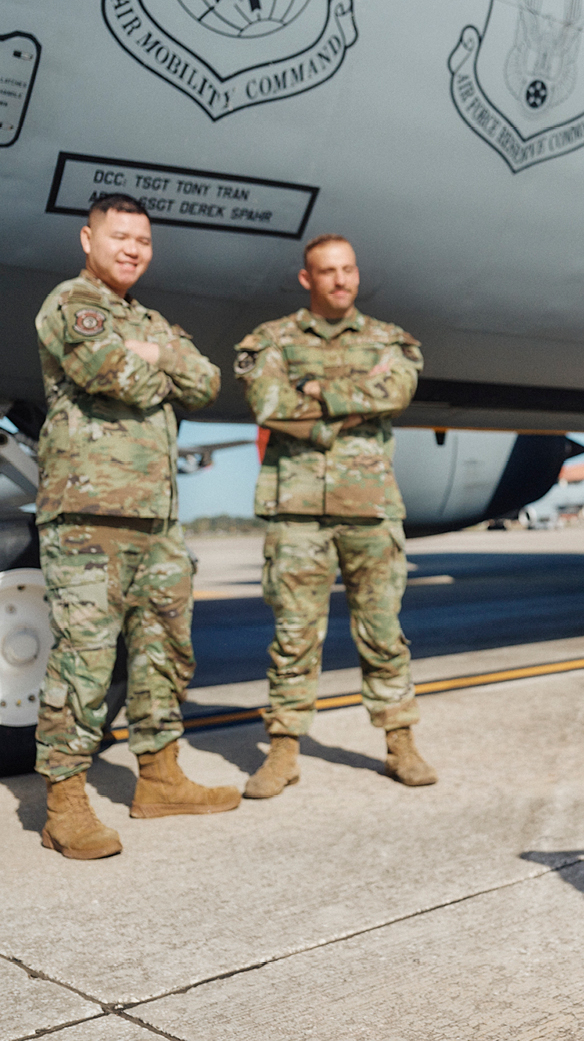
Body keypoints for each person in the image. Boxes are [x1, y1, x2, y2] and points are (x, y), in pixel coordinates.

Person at [32, 193, 240, 860]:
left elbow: (207, 383)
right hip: (88, 517)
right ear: (87, 239)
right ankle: (64, 803)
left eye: (142, 241)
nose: (132, 249)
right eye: (119, 236)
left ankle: (160, 778)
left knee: (164, 655)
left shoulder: (149, 320)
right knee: (84, 664)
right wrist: (155, 363)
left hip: (157, 519)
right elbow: (112, 372)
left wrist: (155, 352)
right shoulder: (71, 304)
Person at [233, 234, 434, 798]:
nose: (340, 280)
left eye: (348, 269)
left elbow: (396, 391)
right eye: (328, 271)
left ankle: (401, 743)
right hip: (297, 512)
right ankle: (284, 751)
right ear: (307, 279)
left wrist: (319, 391)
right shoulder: (272, 339)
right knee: (293, 635)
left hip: (368, 508)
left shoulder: (389, 340)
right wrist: (349, 407)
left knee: (383, 632)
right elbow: (268, 404)